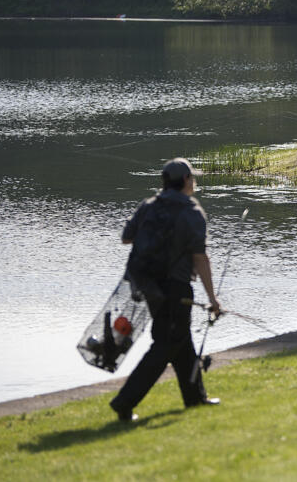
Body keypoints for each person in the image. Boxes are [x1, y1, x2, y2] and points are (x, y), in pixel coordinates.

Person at [109, 158, 221, 423]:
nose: (193, 182)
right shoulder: (193, 213)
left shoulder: (148, 206)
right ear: (185, 181)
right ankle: (124, 401)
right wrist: (213, 299)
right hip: (175, 288)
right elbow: (200, 259)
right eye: (192, 178)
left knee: (179, 340)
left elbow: (126, 237)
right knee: (166, 344)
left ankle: (195, 398)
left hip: (145, 285)